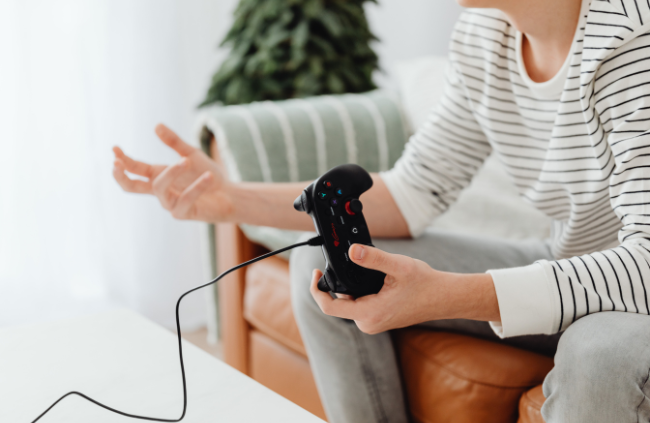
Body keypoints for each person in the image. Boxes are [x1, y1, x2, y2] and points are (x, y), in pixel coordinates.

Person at [113, 0, 650, 421]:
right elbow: (415, 191)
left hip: (637, 297)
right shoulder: (486, 34)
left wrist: (448, 293)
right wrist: (232, 199)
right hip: (569, 261)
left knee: (598, 354)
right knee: (334, 260)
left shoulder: (630, 40)